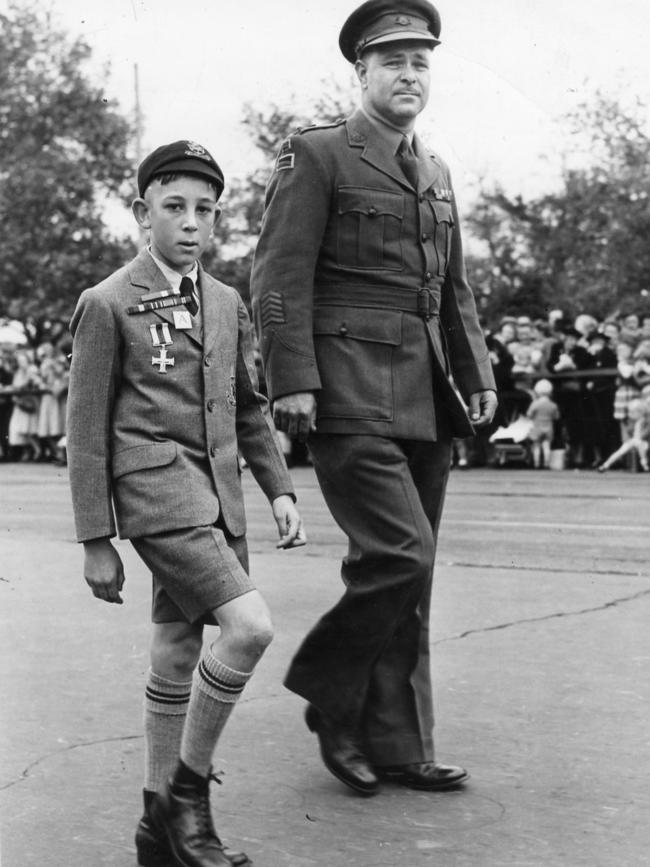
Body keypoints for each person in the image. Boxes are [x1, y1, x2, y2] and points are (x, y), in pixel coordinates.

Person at [251, 0, 497, 797]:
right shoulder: (318, 154)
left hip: (428, 393)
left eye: (421, 62)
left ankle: (396, 742)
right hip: (348, 388)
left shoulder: (436, 170)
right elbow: (278, 276)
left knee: (407, 578)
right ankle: (330, 697)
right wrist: (291, 378)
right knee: (401, 553)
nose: (409, 74)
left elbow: (450, 289)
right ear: (361, 71)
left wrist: (480, 372)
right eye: (393, 61)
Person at [66, 141, 304, 867]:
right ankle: (186, 800)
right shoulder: (108, 301)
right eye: (174, 207)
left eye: (205, 209)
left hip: (218, 497)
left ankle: (152, 825)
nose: (192, 223)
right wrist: (95, 538)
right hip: (158, 496)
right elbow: (83, 427)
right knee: (249, 627)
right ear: (143, 213)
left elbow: (246, 407)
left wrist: (281, 488)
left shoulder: (226, 301)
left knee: (176, 647)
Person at [598, 396, 650, 472]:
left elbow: (646, 433)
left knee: (641, 447)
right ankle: (605, 465)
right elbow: (630, 432)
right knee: (621, 451)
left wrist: (640, 437)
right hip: (633, 441)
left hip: (643, 442)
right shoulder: (635, 422)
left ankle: (645, 466)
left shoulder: (646, 421)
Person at [525, 378, 560, 469]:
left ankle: (536, 464)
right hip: (548, 427)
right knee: (546, 446)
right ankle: (546, 464)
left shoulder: (535, 404)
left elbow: (529, 415)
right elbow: (556, 417)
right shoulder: (553, 405)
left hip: (537, 427)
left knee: (536, 446)